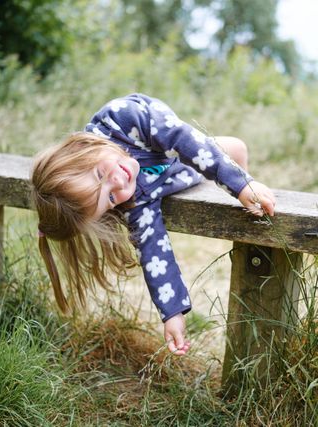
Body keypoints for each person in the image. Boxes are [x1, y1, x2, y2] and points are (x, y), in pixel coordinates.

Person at [31, 93, 275, 356]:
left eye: (100, 174)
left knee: (236, 149)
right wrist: (172, 314)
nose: (118, 182)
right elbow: (152, 249)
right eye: (110, 198)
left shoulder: (122, 118)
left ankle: (251, 198)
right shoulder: (132, 199)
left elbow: (182, 138)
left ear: (81, 149)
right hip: (177, 175)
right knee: (230, 151)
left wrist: (241, 185)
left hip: (179, 148)